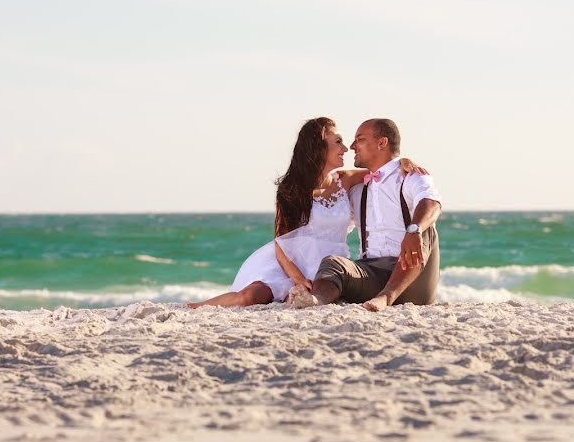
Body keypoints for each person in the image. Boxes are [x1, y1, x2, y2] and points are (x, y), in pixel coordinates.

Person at [187, 117, 426, 308]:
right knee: (250, 297)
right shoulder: (291, 189)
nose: (346, 148)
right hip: (288, 264)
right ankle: (198, 306)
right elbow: (280, 242)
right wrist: (298, 278)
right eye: (339, 142)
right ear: (319, 147)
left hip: (328, 269)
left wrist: (404, 160)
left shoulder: (347, 180)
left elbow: (384, 167)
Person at [289, 118, 442, 312]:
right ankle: (315, 300)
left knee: (424, 228)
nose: (352, 146)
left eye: (359, 139)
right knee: (333, 263)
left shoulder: (410, 175)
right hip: (372, 275)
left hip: (413, 278)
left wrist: (414, 230)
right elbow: (323, 201)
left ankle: (387, 297)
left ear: (382, 143)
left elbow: (431, 203)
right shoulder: (357, 188)